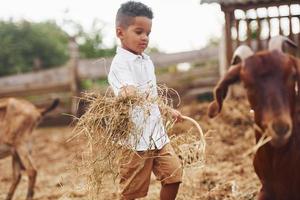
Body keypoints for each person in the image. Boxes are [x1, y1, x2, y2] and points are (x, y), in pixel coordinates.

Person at [108, 1, 183, 200]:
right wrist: (129, 92)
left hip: (157, 134)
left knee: (174, 175)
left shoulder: (146, 61)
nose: (145, 38)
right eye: (139, 32)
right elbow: (129, 94)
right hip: (134, 139)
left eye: (148, 33)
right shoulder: (120, 64)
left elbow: (151, 94)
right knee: (131, 192)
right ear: (120, 32)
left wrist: (167, 110)